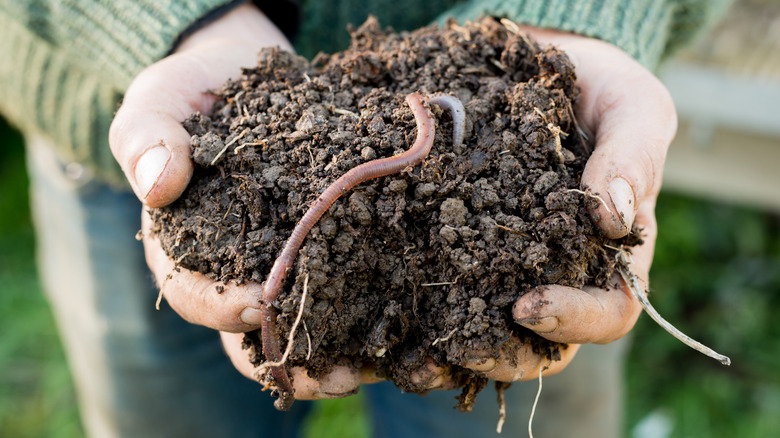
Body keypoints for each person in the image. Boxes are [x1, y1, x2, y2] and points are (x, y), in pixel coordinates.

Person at [0, 0, 731, 437]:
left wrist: (580, 19)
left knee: (515, 329)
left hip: (526, 200)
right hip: (155, 125)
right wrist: (177, 22)